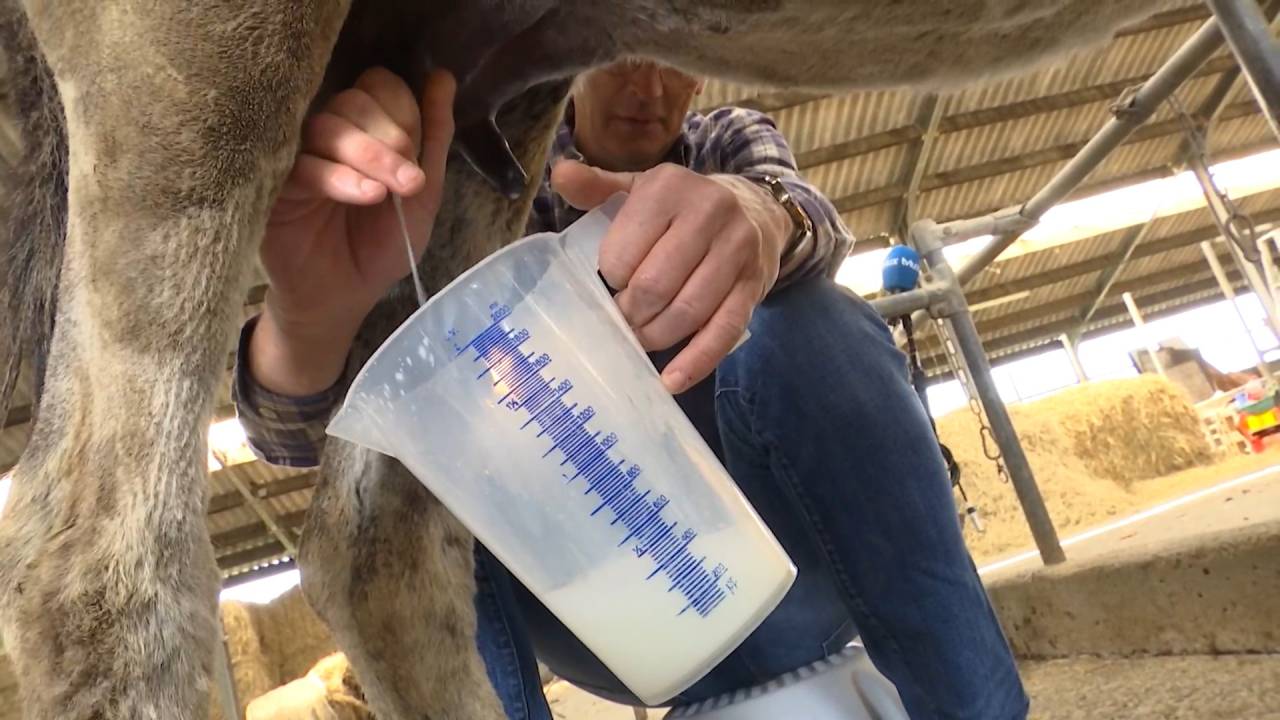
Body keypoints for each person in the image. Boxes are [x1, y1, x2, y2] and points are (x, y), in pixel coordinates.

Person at [233, 61, 1030, 720]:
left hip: (780, 563)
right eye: (621, 59)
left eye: (670, 66)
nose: (645, 87)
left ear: (697, 85)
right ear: (569, 75)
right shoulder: (484, 198)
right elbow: (316, 444)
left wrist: (760, 215)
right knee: (434, 453)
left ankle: (975, 707)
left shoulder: (721, 140)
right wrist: (306, 322)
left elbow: (805, 211)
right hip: (613, 622)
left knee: (815, 318)